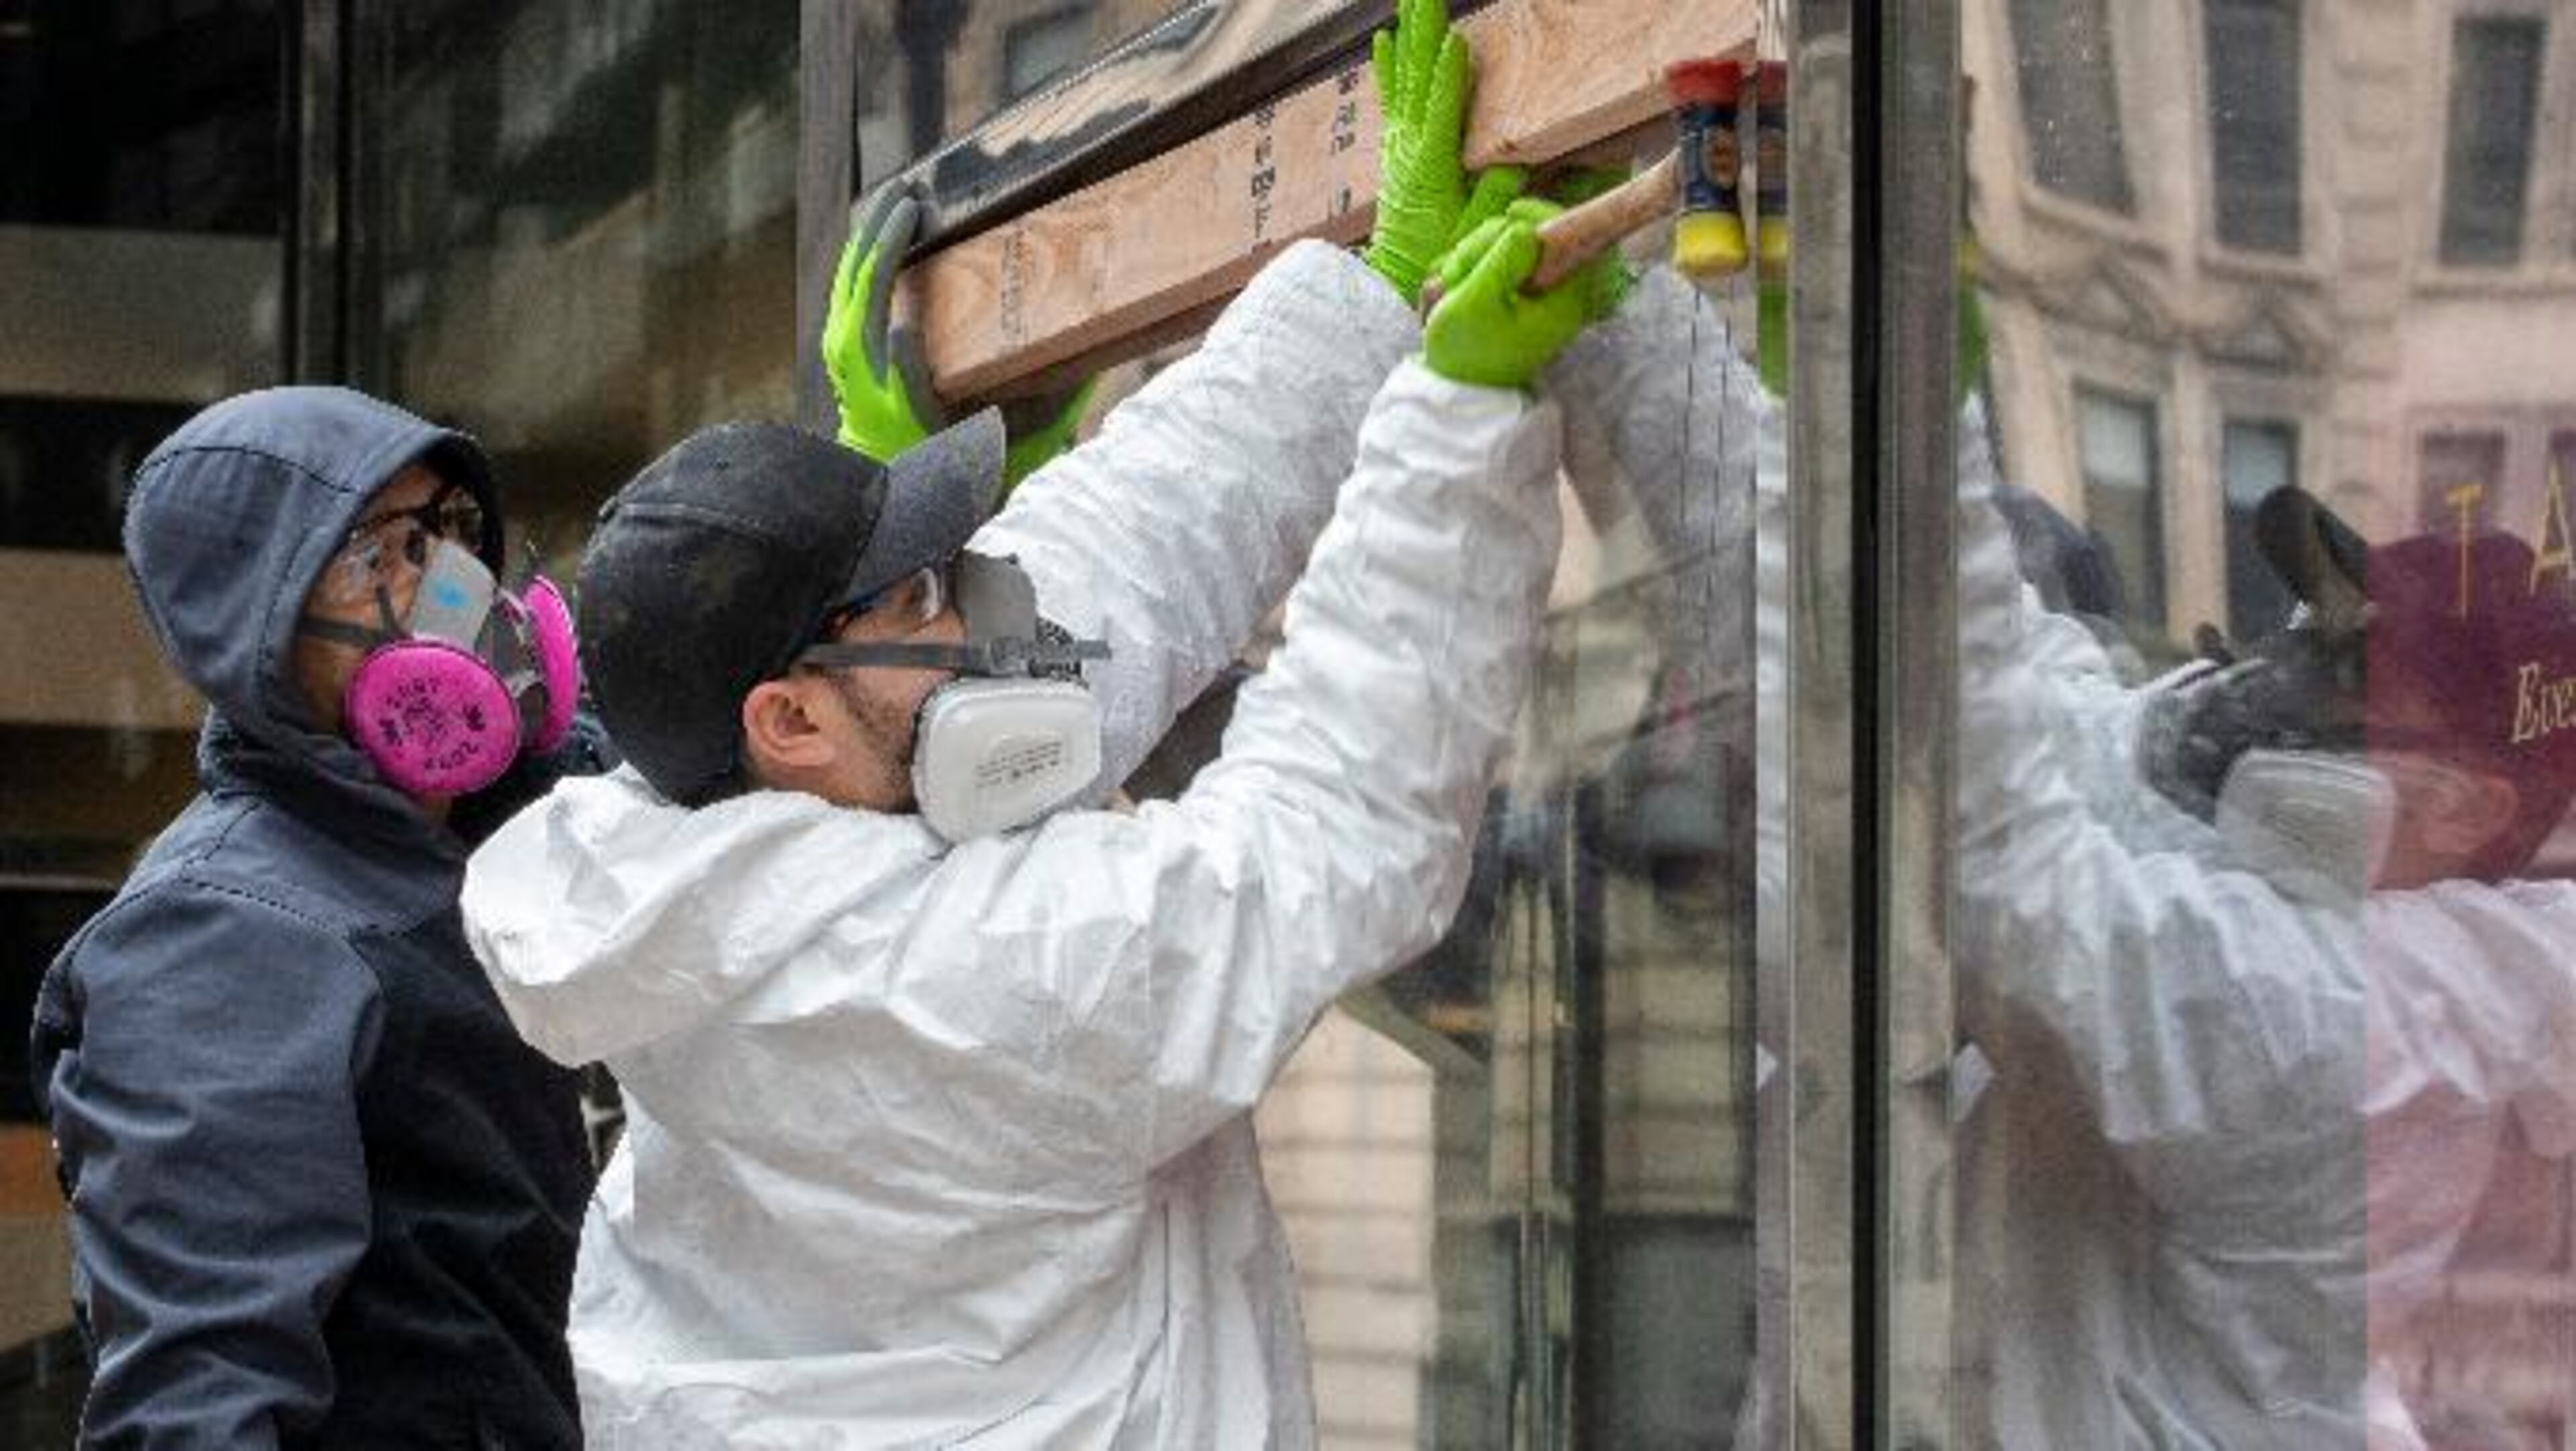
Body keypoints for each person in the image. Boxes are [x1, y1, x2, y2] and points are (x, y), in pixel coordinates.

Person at [453, 5, 1618, 1444]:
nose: (981, 612)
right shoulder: (973, 978)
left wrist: (1368, 302)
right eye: (925, 593)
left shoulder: (682, 879)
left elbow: (1096, 589)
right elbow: (1331, 827)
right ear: (791, 717)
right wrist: (1458, 414)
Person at [29, 386, 603, 1447]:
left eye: (450, 530)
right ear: (258, 619)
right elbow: (200, 1401)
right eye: (379, 553)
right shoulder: (223, 938)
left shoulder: (481, 832)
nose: (452, 586)